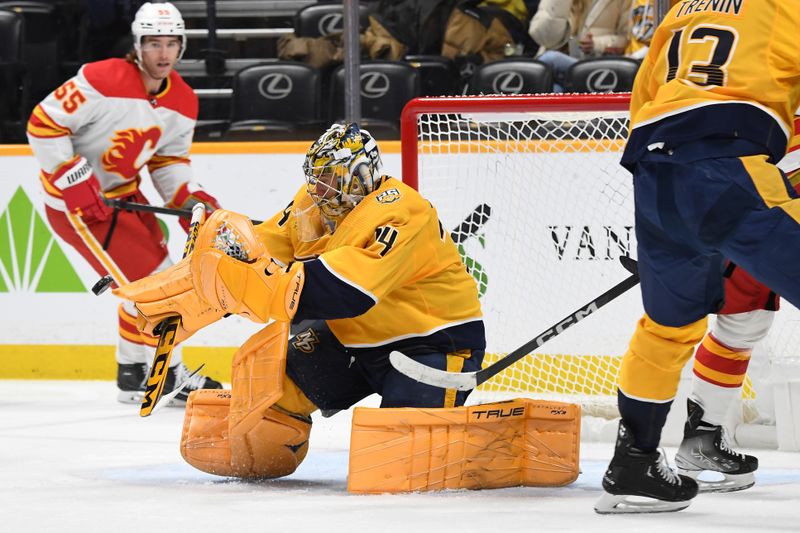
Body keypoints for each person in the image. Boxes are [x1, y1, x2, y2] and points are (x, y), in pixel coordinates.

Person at [115, 123, 550, 487]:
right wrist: (202, 284)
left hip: (431, 347)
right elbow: (268, 247)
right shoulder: (313, 203)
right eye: (316, 178)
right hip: (353, 342)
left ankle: (497, 441)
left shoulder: (402, 212)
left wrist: (253, 281)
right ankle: (264, 454)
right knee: (268, 400)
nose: (320, 189)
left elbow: (344, 294)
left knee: (399, 461)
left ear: (360, 175)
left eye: (331, 179)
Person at [594, 1, 800, 514]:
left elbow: (644, 96)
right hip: (729, 162)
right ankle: (696, 440)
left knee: (667, 327)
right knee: (739, 318)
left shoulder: (683, 7)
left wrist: (683, 208)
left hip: (655, 168)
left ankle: (634, 463)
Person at [26, 2, 222, 405]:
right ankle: (164, 374)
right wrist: (69, 176)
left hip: (123, 202)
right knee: (161, 284)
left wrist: (189, 199)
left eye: (171, 43)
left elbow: (168, 162)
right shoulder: (103, 78)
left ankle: (133, 371)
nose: (163, 53)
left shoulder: (183, 100)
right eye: (153, 43)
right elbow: (43, 123)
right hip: (77, 206)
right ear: (138, 45)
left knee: (144, 282)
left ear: (182, 46)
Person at [674, 115, 800, 494]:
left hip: (761, 213)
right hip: (761, 213)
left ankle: (701, 439)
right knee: (743, 321)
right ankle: (701, 440)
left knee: (745, 321)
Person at [527, 0, 629, 91]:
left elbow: (627, 38)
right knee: (553, 89)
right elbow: (545, 38)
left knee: (550, 59)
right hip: (557, 70)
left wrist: (596, 44)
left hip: (595, 64)